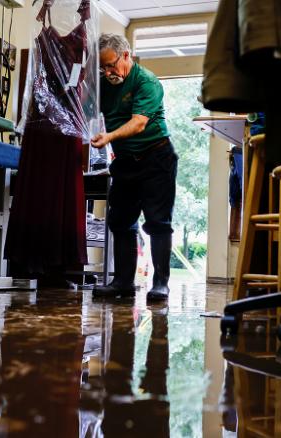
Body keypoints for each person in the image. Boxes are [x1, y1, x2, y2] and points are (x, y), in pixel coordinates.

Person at [90, 34, 177, 301]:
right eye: (102, 68)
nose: (107, 72)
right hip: (126, 162)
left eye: (111, 65)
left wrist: (109, 137)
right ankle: (123, 283)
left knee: (158, 222)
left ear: (126, 55)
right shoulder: (103, 85)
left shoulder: (146, 81)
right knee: (120, 221)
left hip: (156, 157)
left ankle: (161, 284)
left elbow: (139, 123)